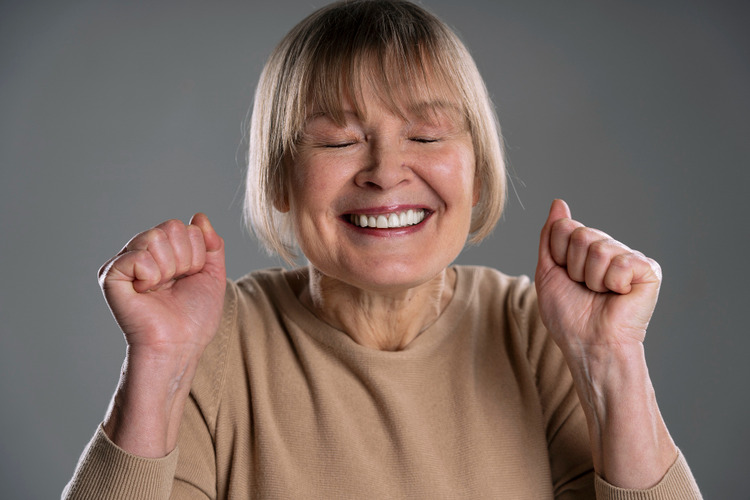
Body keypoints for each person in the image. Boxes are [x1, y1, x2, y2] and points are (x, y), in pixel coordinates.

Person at [63, 1, 702, 498]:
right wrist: (161, 362)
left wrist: (610, 359)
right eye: (339, 141)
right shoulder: (215, 343)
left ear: (477, 171)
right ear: (281, 179)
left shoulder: (542, 333)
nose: (386, 172)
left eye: (426, 136)